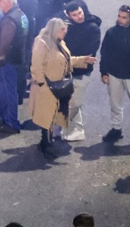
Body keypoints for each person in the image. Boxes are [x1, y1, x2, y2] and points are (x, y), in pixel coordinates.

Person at [31, 17, 86, 160]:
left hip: (58, 87)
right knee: (47, 117)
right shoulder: (42, 43)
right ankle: (46, 144)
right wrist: (42, 84)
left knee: (52, 116)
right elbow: (36, 66)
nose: (65, 34)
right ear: (56, 30)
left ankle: (45, 142)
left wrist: (81, 60)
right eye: (63, 31)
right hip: (47, 87)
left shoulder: (59, 43)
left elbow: (65, 60)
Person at [100, 4, 130, 145]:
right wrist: (104, 72)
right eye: (119, 16)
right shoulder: (111, 33)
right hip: (114, 75)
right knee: (115, 104)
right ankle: (116, 129)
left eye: (124, 17)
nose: (120, 19)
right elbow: (105, 53)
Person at [62, 0, 101, 142]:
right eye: (75, 15)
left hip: (82, 72)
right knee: (71, 101)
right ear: (69, 16)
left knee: (75, 103)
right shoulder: (68, 27)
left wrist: (71, 59)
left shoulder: (93, 28)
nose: (79, 16)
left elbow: (89, 54)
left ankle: (71, 127)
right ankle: (75, 130)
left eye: (80, 12)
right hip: (69, 70)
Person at [0, 0, 27, 134]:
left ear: (8, 1)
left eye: (0, 0)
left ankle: (11, 123)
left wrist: (1, 58)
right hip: (19, 58)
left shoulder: (9, 19)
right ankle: (5, 120)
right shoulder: (21, 14)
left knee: (7, 93)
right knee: (9, 92)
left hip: (8, 62)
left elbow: (5, 42)